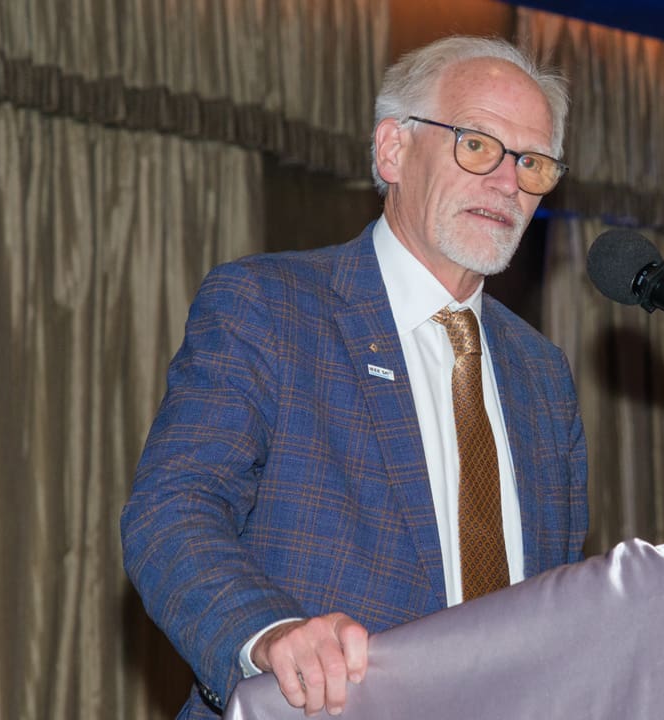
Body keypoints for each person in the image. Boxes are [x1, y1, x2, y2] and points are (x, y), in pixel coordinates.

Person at [121, 36, 588, 720]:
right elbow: (172, 511)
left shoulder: (543, 376)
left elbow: (556, 610)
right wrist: (268, 634)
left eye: (532, 162)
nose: (507, 182)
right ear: (393, 149)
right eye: (477, 146)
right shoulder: (270, 306)